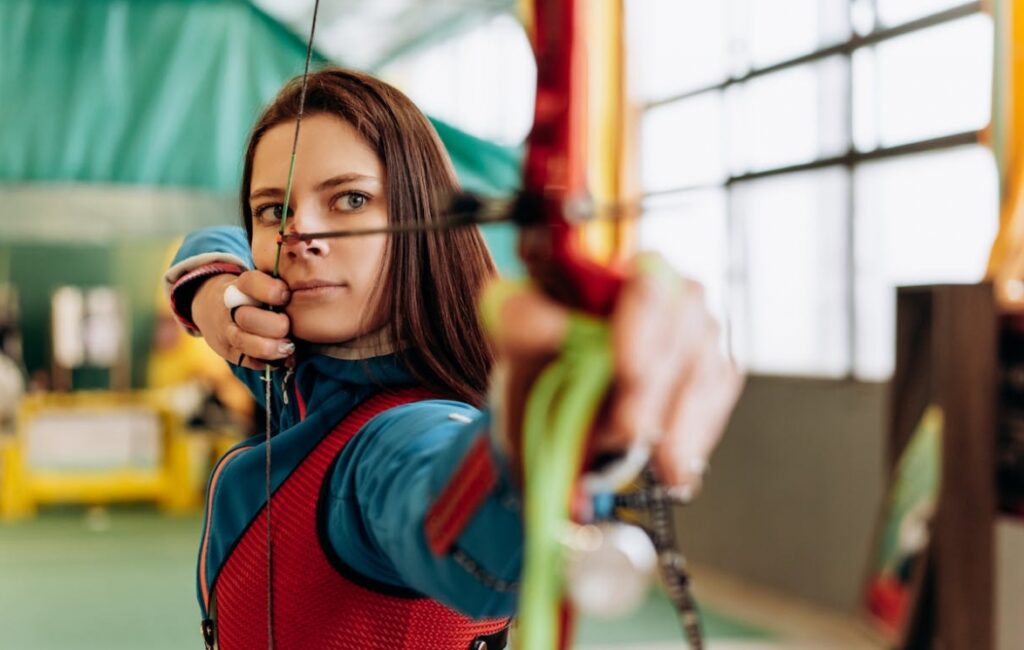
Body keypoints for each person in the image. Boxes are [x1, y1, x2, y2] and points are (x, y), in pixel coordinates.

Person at [165, 68, 742, 650]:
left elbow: (459, 522)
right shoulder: (287, 363)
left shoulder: (394, 438)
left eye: (351, 199)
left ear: (423, 219)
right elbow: (213, 239)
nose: (300, 232)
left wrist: (543, 432)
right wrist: (212, 291)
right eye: (272, 209)